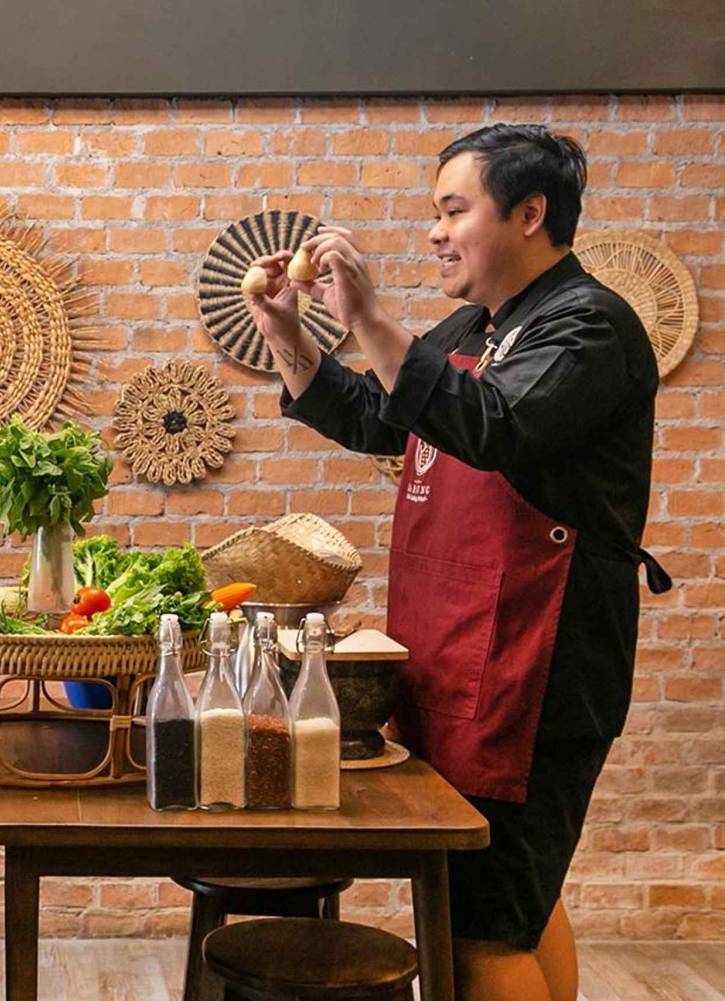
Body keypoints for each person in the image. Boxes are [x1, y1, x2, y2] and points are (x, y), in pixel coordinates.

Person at [244, 124, 667, 1001]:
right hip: (461, 655)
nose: (435, 231)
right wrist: (284, 330)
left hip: (536, 669)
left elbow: (492, 425)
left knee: (482, 920)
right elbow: (377, 416)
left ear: (530, 213)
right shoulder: (480, 322)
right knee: (514, 893)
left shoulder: (589, 325)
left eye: (452, 209)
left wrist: (366, 316)